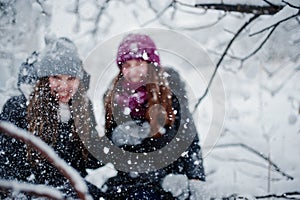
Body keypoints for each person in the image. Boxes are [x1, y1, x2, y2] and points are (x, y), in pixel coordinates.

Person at [102, 33, 205, 199]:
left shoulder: (170, 94)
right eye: (127, 65)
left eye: (139, 63)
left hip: (168, 179)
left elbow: (189, 140)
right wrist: (117, 138)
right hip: (131, 180)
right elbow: (111, 148)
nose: (133, 71)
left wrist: (196, 179)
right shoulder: (114, 97)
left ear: (151, 65)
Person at [0, 37, 103, 199]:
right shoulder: (18, 107)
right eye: (56, 78)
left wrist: (107, 146)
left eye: (71, 78)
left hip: (71, 187)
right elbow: (6, 165)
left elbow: (86, 162)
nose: (64, 86)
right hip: (31, 189)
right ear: (43, 80)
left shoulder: (82, 106)